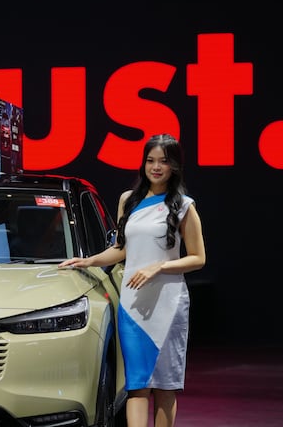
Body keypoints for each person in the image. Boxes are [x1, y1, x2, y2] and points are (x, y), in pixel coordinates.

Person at [59, 133, 206, 427]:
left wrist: (159, 267)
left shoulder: (184, 206)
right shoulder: (129, 200)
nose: (156, 167)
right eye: (150, 160)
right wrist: (88, 261)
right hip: (133, 304)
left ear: (174, 165)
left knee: (165, 386)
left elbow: (198, 258)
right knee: (137, 385)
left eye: (164, 161)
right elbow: (121, 249)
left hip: (169, 302)